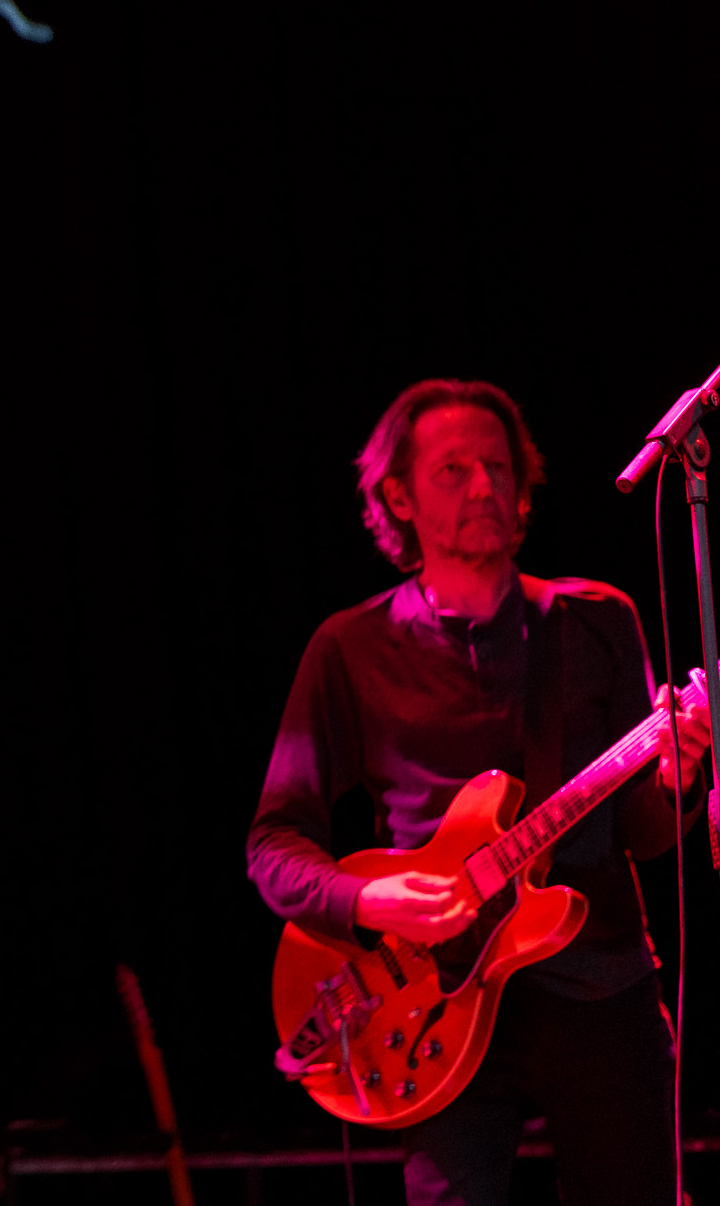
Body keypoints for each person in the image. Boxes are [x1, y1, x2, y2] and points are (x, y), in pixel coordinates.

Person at [248, 378, 711, 1206]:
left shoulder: (595, 616)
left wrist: (677, 779)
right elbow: (274, 846)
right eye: (453, 471)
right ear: (397, 495)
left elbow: (643, 834)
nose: (485, 488)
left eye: (499, 467)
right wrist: (370, 898)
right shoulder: (350, 648)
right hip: (432, 1006)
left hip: (598, 981)